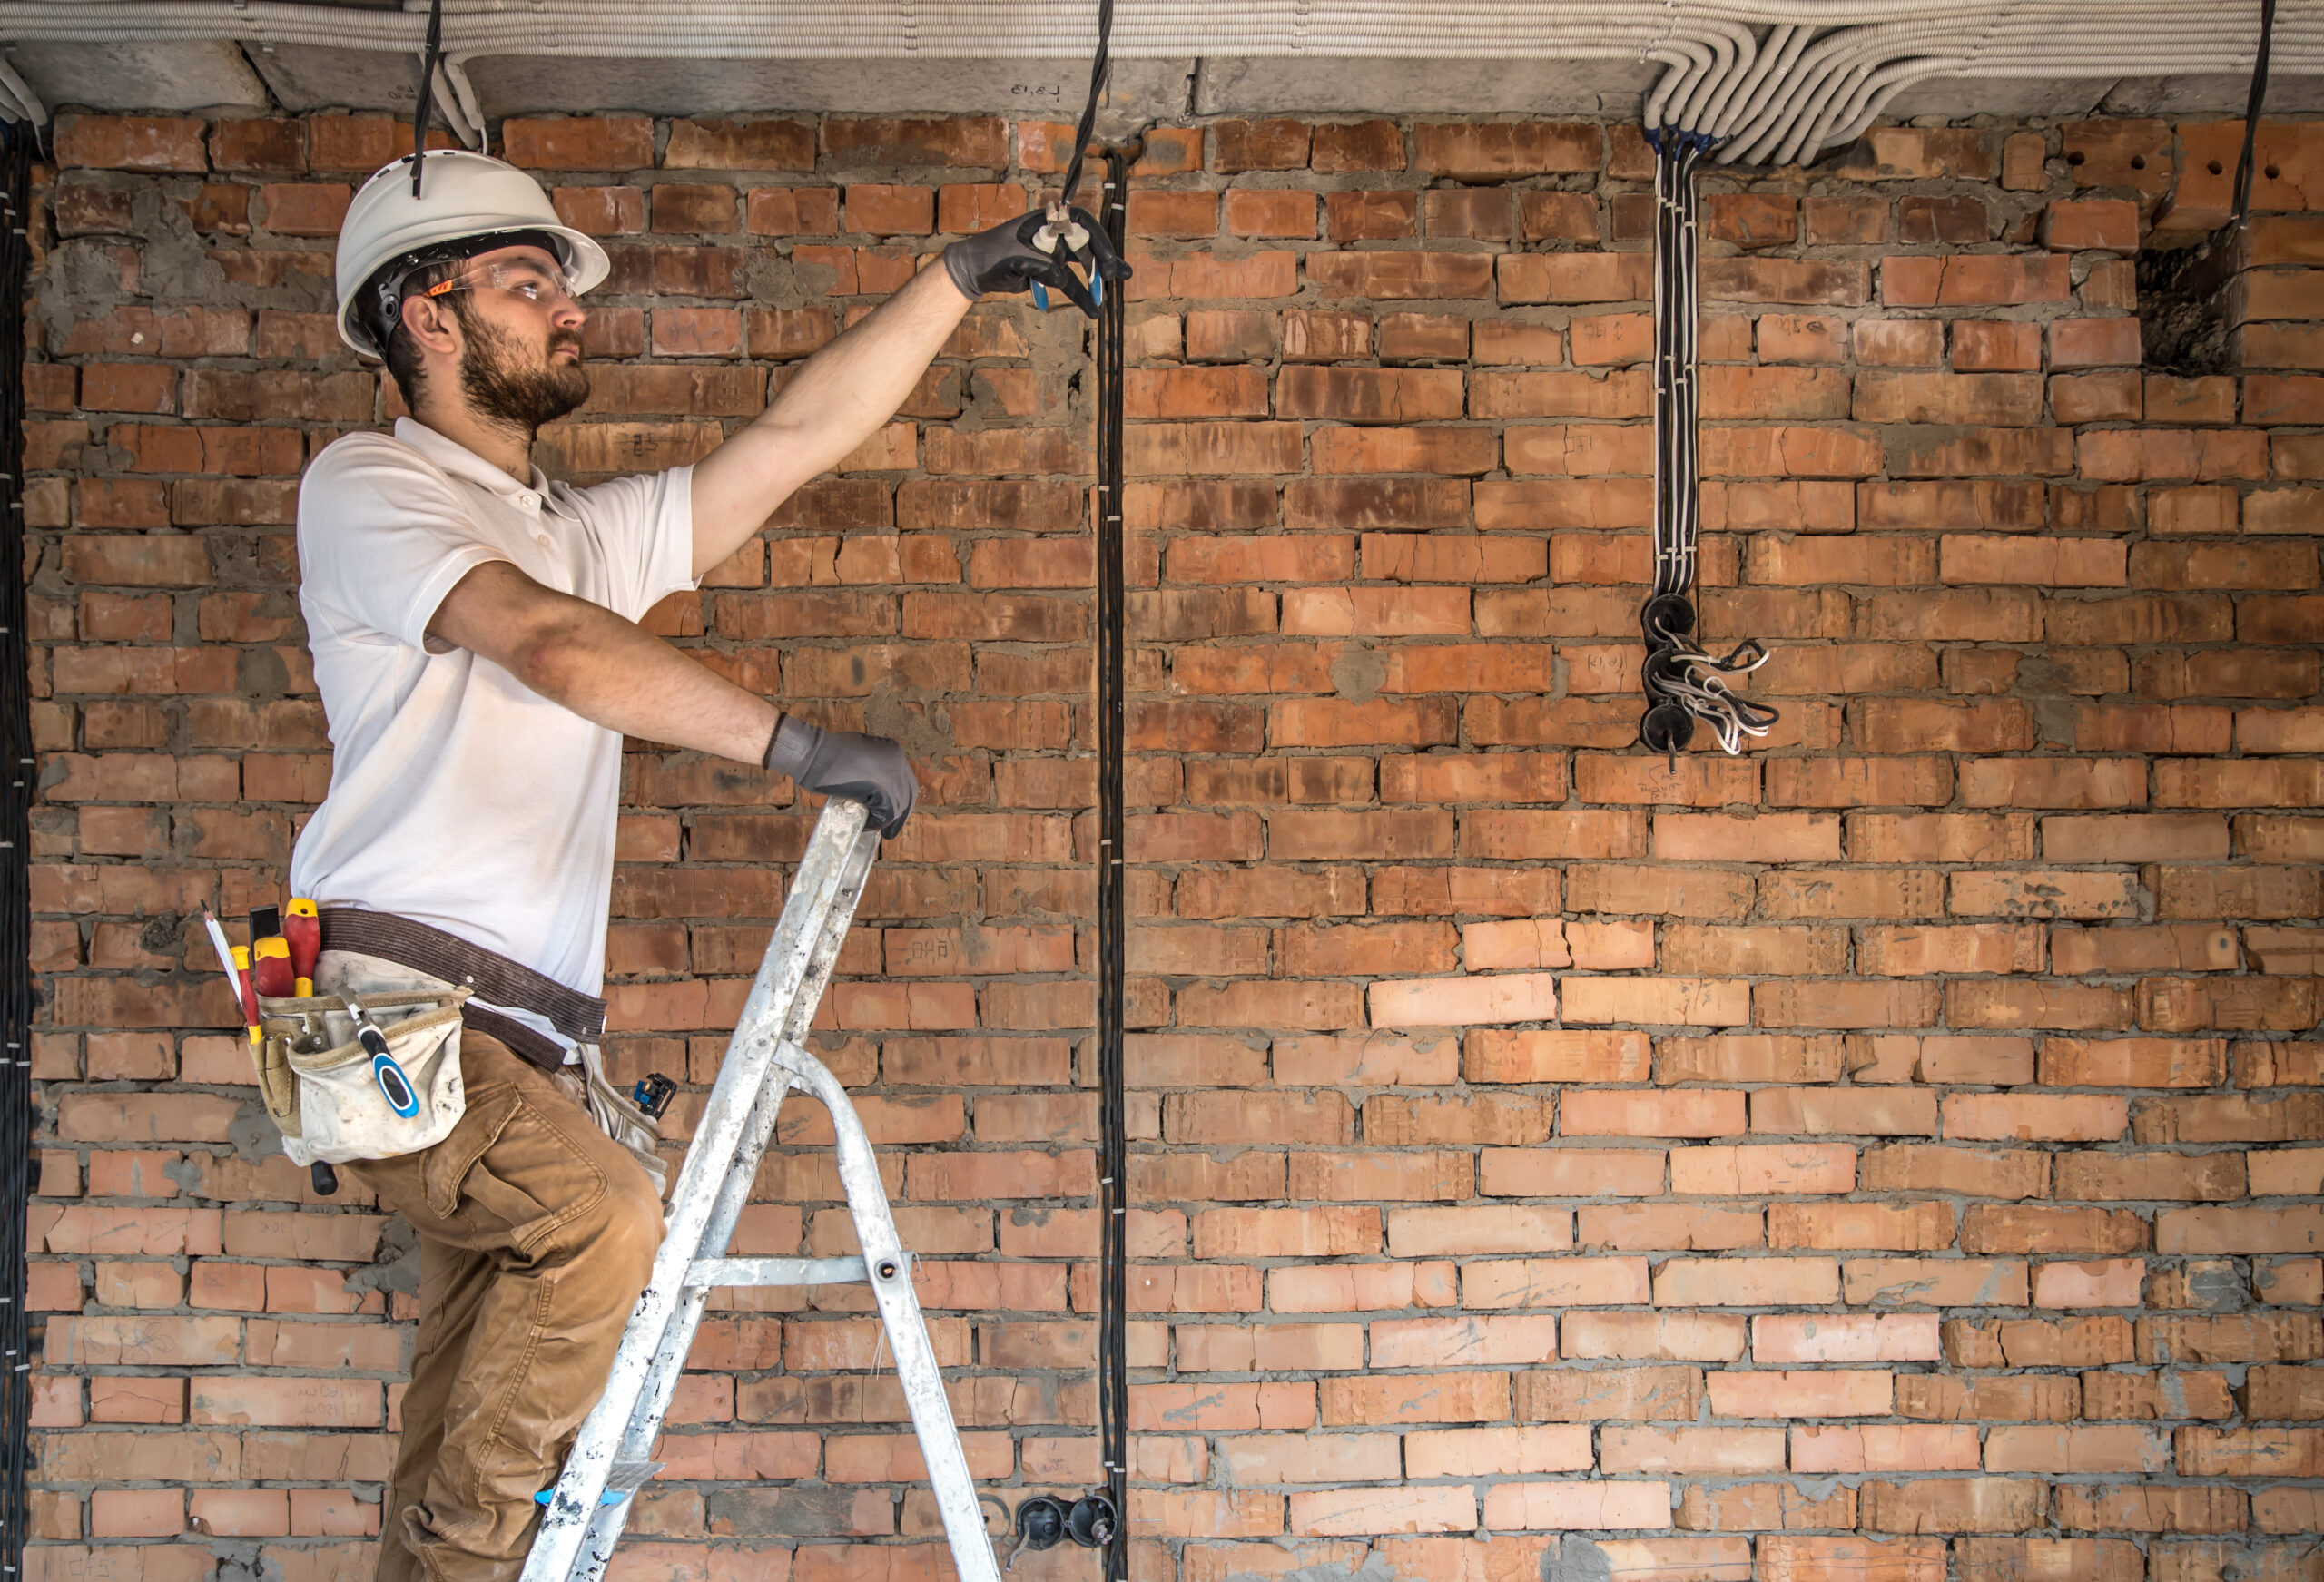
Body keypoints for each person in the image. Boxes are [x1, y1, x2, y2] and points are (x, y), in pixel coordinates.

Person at [291, 147, 1118, 1582]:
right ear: (429, 314)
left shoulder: (572, 535)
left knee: (467, 1377)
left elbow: (792, 441)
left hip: (516, 1041)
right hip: (389, 1011)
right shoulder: (371, 485)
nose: (571, 312)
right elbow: (548, 646)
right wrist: (795, 745)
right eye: (530, 284)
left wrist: (960, 277)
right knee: (600, 1219)